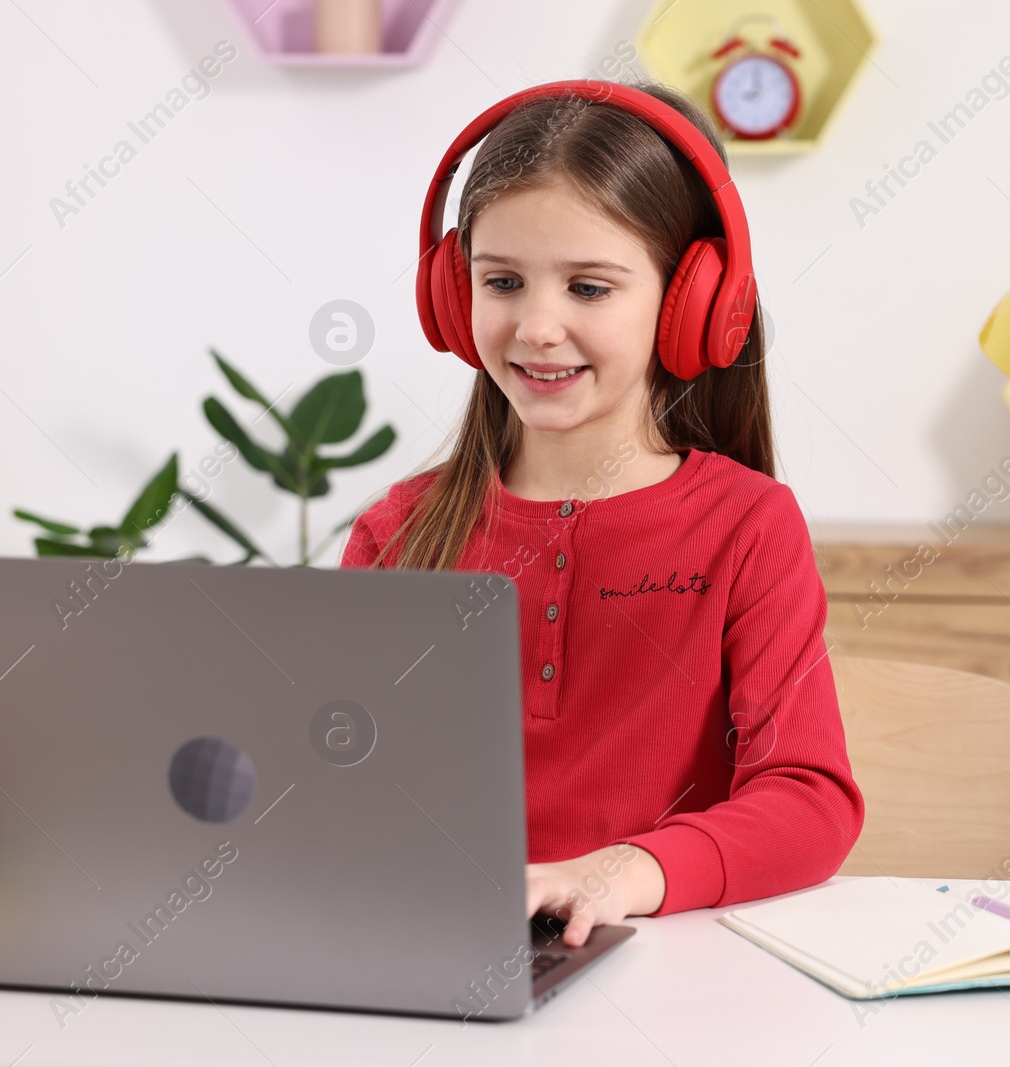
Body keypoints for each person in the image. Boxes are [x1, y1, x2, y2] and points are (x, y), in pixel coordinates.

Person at [340, 79, 862, 947]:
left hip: (664, 959)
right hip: (439, 947)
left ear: (693, 303)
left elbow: (809, 799)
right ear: (451, 296)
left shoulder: (747, 526)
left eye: (589, 288)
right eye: (501, 280)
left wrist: (617, 872)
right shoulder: (398, 531)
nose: (537, 325)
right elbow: (340, 781)